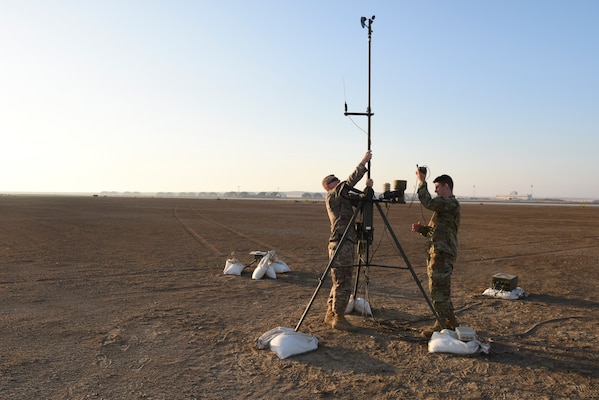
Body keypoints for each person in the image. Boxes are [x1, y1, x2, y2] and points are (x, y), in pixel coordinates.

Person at [321, 150, 373, 331]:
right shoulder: (333, 195)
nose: (337, 182)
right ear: (328, 186)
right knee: (344, 282)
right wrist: (363, 163)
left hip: (343, 243)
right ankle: (339, 318)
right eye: (333, 181)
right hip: (341, 244)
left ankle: (331, 313)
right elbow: (348, 183)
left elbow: (356, 198)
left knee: (339, 281)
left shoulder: (341, 197)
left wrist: (367, 190)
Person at [411, 170, 460, 337]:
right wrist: (422, 230)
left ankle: (442, 325)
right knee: (440, 290)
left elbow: (428, 202)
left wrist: (421, 181)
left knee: (438, 291)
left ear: (447, 186)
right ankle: (450, 322)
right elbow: (437, 231)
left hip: (442, 254)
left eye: (438, 187)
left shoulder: (449, 203)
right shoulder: (444, 207)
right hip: (438, 252)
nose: (436, 191)